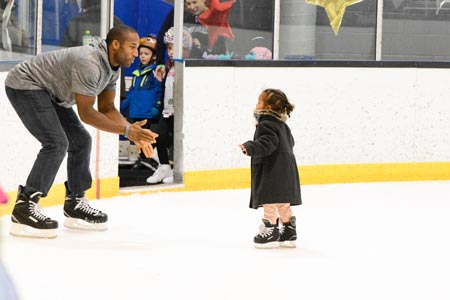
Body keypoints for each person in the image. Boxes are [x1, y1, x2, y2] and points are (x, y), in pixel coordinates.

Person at [4, 24, 157, 239]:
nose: (136, 52)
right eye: (132, 47)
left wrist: (131, 131)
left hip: (50, 91)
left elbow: (107, 108)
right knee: (56, 143)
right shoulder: (90, 62)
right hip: (25, 84)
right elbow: (87, 113)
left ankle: (75, 203)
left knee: (81, 141)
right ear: (115, 45)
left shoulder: (113, 66)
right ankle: (25, 206)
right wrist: (127, 131)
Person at [239, 88, 302, 249]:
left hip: (272, 169)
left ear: (268, 108)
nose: (256, 105)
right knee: (282, 202)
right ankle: (289, 231)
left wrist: (250, 147)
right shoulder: (282, 125)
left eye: (259, 102)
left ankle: (271, 229)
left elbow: (268, 143)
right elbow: (290, 143)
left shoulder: (266, 124)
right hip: (286, 168)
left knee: (269, 200)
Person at [146, 27, 192, 184]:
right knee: (160, 136)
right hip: (167, 110)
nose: (171, 52)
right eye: (169, 48)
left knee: (177, 141)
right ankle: (164, 166)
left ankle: (178, 169)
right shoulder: (169, 67)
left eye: (175, 48)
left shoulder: (185, 68)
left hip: (178, 112)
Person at [120, 35, 163, 170]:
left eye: (147, 54)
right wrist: (124, 106)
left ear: (154, 56)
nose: (143, 56)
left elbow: (159, 89)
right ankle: (142, 158)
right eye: (141, 53)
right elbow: (132, 92)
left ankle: (150, 159)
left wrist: (157, 106)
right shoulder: (136, 73)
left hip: (147, 112)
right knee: (136, 136)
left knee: (147, 137)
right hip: (135, 111)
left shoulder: (155, 71)